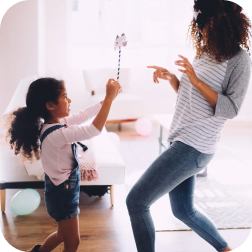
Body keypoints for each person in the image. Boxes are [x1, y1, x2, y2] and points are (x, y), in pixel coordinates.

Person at [126, 0, 251, 251]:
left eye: (205, 26)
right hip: (182, 139)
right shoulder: (207, 50)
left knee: (136, 202)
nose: (201, 30)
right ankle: (226, 249)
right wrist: (173, 78)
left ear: (221, 25)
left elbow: (231, 108)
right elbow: (192, 95)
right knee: (184, 211)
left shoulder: (239, 59)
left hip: (194, 146)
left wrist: (194, 79)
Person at [6, 77, 121, 252]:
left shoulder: (56, 123)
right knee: (73, 242)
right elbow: (93, 130)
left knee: (62, 235)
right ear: (50, 105)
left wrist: (108, 99)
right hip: (62, 195)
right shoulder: (56, 134)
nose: (69, 100)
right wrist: (109, 99)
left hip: (61, 192)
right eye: (65, 96)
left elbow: (84, 115)